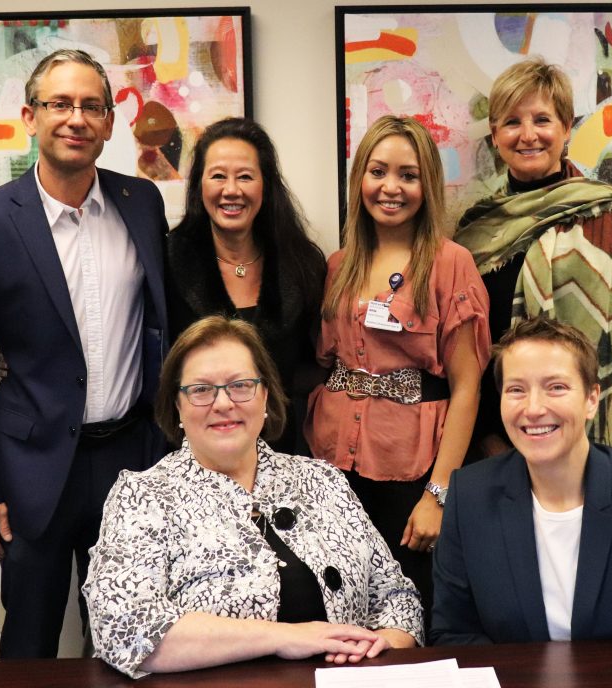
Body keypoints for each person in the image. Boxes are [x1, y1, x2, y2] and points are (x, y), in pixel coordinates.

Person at [0, 49, 169, 657]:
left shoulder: (142, 203)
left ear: (110, 123)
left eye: (92, 105)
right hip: (29, 467)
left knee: (133, 640)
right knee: (31, 639)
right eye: (60, 103)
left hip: (130, 461)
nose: (76, 118)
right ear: (30, 116)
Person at [84, 316, 421, 678]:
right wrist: (284, 638)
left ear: (265, 396)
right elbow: (122, 628)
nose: (223, 403)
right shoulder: (143, 495)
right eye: (200, 390)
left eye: (240, 385)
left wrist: (385, 642)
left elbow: (396, 598)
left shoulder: (323, 480)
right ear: (177, 407)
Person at [430, 317, 612, 645]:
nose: (533, 408)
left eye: (556, 387)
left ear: (591, 399)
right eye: (516, 390)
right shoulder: (469, 497)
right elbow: (452, 634)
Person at [306, 115, 491, 626]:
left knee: (409, 612)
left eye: (407, 175)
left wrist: (438, 494)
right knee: (342, 609)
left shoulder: (450, 263)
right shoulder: (338, 264)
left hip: (411, 468)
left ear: (427, 185)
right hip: (334, 463)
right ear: (359, 179)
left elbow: (468, 385)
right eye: (378, 171)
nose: (391, 187)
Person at [454, 58, 612, 470]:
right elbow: (469, 347)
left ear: (567, 128)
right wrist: (488, 439)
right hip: (497, 439)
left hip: (595, 441)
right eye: (512, 122)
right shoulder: (474, 229)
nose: (528, 135)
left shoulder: (609, 217)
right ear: (495, 134)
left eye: (542, 119)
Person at [166, 118, 327, 454]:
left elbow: (316, 364)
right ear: (199, 186)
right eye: (218, 176)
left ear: (265, 185)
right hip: (193, 456)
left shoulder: (303, 265)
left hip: (283, 451)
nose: (231, 190)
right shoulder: (166, 261)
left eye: (245, 176)